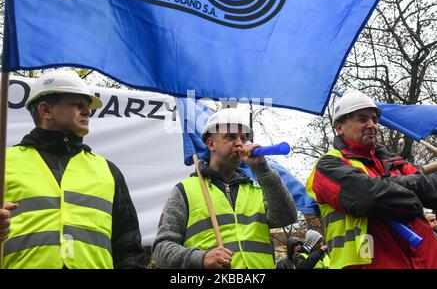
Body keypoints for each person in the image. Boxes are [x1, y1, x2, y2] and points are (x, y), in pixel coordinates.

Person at [0, 70, 146, 269]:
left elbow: (128, 246)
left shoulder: (108, 171)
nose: (87, 111)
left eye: (87, 107)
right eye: (77, 105)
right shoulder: (4, 163)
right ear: (45, 110)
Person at [153, 108, 297, 269]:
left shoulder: (257, 188)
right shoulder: (184, 190)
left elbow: (287, 217)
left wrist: (263, 170)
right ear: (211, 143)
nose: (239, 143)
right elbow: (161, 250)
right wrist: (200, 258)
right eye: (231, 136)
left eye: (243, 138)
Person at [306, 91, 437, 269]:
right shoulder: (328, 165)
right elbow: (367, 198)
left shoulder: (394, 162)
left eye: (374, 120)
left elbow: (433, 190)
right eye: (362, 119)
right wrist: (415, 198)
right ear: (339, 127)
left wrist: (394, 188)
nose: (372, 125)